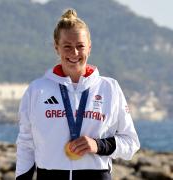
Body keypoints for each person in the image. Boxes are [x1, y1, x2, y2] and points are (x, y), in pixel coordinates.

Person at [16, 9, 140, 180]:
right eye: (67, 46)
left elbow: (131, 143)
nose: (74, 53)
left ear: (89, 47)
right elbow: (25, 145)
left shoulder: (109, 88)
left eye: (80, 46)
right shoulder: (37, 89)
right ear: (56, 48)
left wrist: (98, 145)